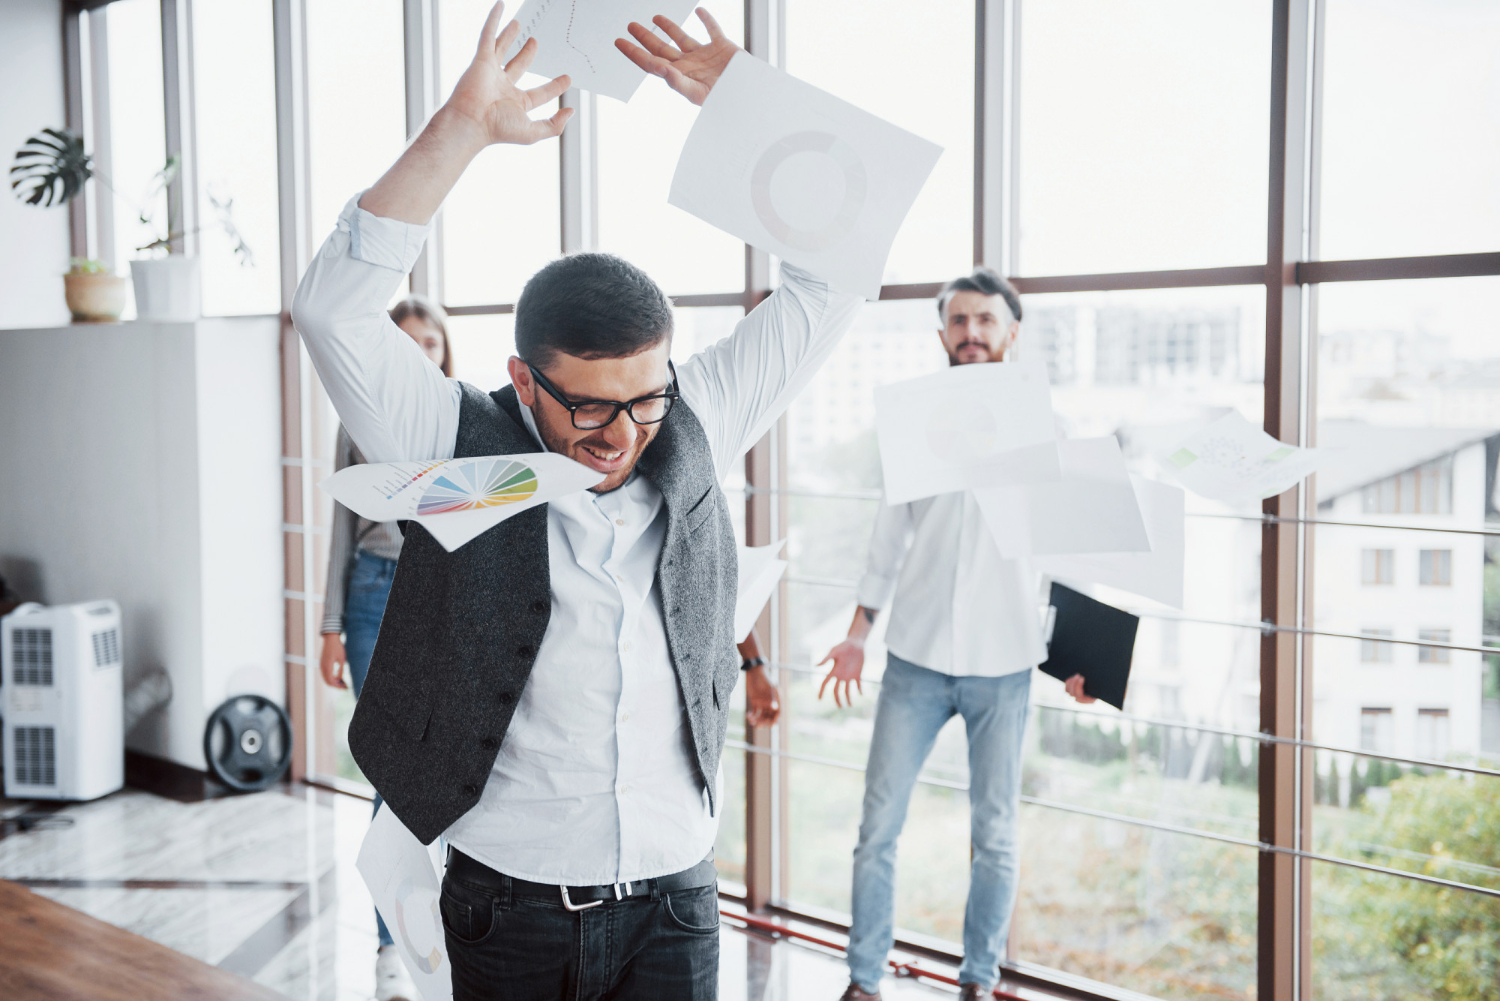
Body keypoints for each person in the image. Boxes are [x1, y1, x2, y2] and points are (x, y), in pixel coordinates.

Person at [291, 5, 862, 998]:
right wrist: (461, 130)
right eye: (589, 406)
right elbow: (330, 309)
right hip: (507, 900)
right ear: (523, 376)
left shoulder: (696, 412)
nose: (622, 433)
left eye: (644, 399)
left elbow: (831, 283)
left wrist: (751, 108)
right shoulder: (452, 442)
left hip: (677, 896)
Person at [818, 268, 1094, 1001]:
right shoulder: (915, 423)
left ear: (1012, 332)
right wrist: (857, 633)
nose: (972, 332)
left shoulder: (1051, 430)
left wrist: (1079, 658)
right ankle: (863, 981)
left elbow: (1069, 550)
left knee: (996, 834)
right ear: (942, 333)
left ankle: (978, 981)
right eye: (960, 320)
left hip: (1005, 661)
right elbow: (889, 539)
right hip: (916, 654)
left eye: (986, 320)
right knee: (878, 826)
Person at [317, 296, 450, 1001]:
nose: (421, 353)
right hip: (373, 594)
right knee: (391, 776)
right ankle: (392, 942)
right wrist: (329, 625)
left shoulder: (461, 418)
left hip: (444, 597)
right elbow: (340, 527)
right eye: (409, 341)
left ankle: (454, 935)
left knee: (450, 770)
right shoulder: (358, 417)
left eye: (432, 342)